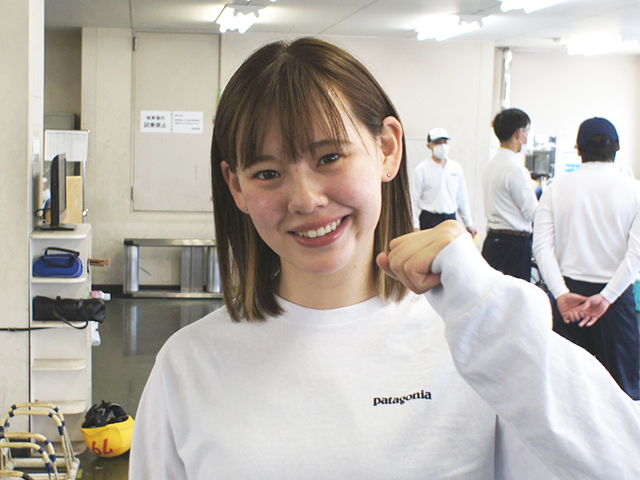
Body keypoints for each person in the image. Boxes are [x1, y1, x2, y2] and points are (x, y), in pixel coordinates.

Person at [130, 38, 640, 480]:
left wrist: (500, 328)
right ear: (236, 186)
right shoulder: (187, 366)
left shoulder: (476, 348)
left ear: (389, 149)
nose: (305, 199)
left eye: (329, 157)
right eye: (267, 173)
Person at [533, 117, 640, 400]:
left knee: (566, 391)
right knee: (622, 392)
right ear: (616, 147)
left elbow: (541, 248)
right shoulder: (635, 190)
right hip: (615, 303)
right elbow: (636, 254)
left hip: (569, 299)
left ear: (578, 149)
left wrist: (561, 293)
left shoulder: (555, 189)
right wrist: (607, 297)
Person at [482, 108, 538, 280]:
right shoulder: (515, 168)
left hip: (494, 241)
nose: (527, 136)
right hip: (513, 245)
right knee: (515, 302)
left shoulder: (493, 163)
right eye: (527, 130)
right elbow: (532, 212)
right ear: (519, 133)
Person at [411, 128, 477, 235]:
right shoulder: (421, 169)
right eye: (437, 143)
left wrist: (468, 223)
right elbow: (413, 200)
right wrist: (415, 225)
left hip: (450, 219)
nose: (442, 146)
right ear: (429, 146)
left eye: (444, 142)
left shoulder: (456, 168)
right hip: (429, 219)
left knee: (450, 250)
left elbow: (462, 198)